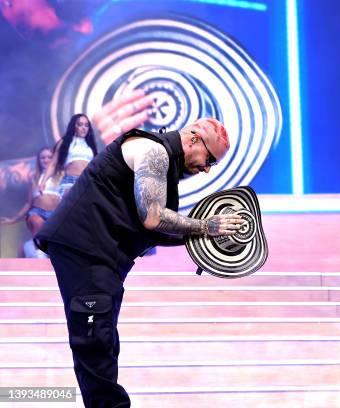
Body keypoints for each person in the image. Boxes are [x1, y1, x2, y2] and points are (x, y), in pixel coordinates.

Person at [34, 118, 245, 407]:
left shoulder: (164, 163)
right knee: (95, 342)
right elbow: (154, 217)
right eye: (209, 158)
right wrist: (206, 227)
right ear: (194, 140)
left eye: (213, 165)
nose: (207, 168)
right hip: (86, 250)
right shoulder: (154, 151)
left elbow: (154, 228)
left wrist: (199, 237)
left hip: (97, 255)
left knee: (102, 341)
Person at [0, 146, 62, 258]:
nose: (46, 160)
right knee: (36, 221)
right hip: (37, 212)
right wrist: (13, 219)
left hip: (55, 214)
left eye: (49, 157)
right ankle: (40, 252)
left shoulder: (59, 175)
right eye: (43, 158)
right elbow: (28, 203)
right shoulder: (35, 179)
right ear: (39, 160)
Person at [40, 113, 98, 198]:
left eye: (86, 125)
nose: (83, 128)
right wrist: (43, 182)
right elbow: (53, 164)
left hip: (88, 182)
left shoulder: (90, 146)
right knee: (73, 209)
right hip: (70, 182)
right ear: (74, 126)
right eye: (80, 124)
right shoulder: (65, 142)